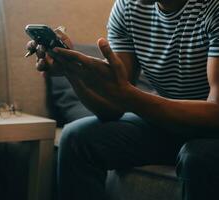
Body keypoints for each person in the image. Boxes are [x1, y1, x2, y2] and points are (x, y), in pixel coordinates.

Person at [26, 0, 219, 199]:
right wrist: (72, 71)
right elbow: (113, 107)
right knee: (77, 139)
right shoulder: (128, 7)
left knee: (197, 157)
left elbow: (215, 114)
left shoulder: (212, 7)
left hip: (213, 132)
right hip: (168, 123)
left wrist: (130, 97)